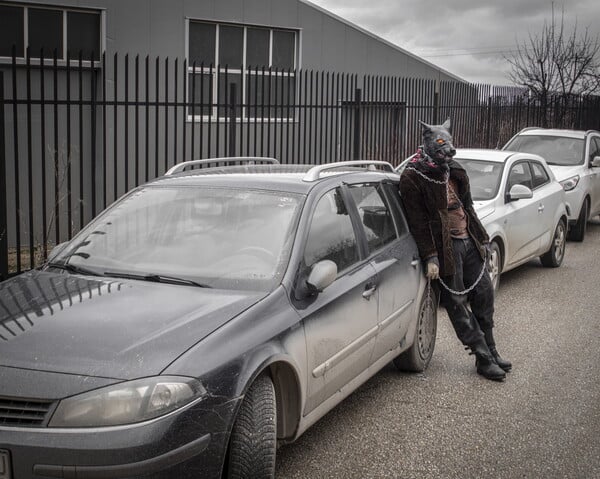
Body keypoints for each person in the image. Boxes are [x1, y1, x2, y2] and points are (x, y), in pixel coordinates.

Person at [399, 118, 511, 381]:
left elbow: (468, 207)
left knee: (484, 293)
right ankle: (482, 357)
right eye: (441, 145)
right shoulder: (413, 176)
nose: (447, 151)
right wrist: (431, 256)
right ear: (427, 143)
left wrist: (481, 237)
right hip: (445, 247)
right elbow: (417, 222)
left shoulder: (455, 170)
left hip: (468, 241)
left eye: (449, 144)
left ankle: (492, 350)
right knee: (457, 303)